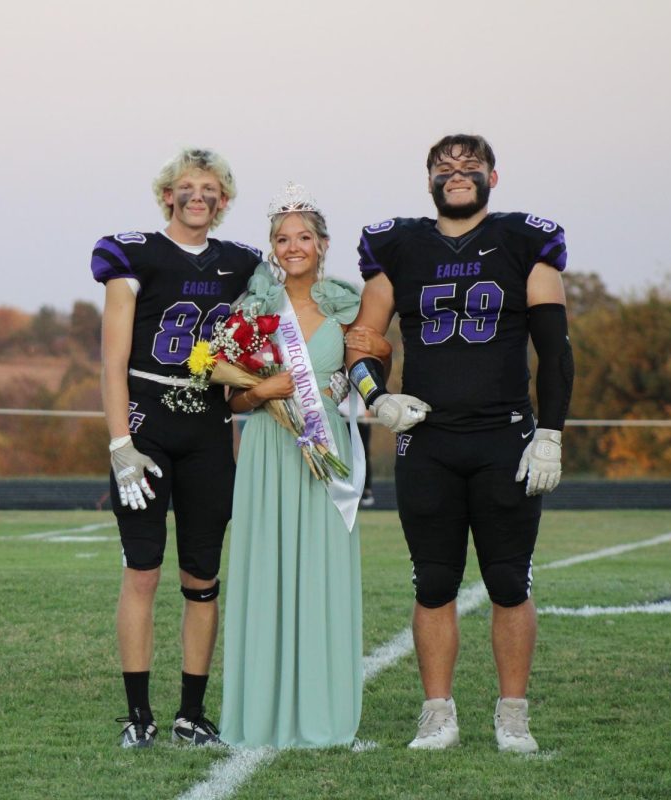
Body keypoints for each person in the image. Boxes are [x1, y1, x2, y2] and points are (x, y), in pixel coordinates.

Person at [346, 134, 572, 753]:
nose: (457, 172)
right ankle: (438, 712)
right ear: (429, 181)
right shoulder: (399, 246)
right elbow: (362, 341)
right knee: (434, 581)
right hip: (429, 440)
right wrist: (377, 397)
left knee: (509, 581)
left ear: (492, 179)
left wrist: (550, 432)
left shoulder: (526, 242)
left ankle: (513, 713)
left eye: (470, 164)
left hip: (505, 436)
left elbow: (555, 350)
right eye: (444, 166)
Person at [90, 148, 260, 748]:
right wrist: (120, 442)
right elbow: (112, 362)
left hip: (209, 427)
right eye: (186, 186)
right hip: (148, 423)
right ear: (167, 195)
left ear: (224, 200)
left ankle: (191, 712)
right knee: (142, 571)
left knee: (202, 576)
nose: (197, 196)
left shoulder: (242, 264)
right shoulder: (133, 252)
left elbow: (272, 328)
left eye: (210, 188)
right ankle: (139, 714)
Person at [220, 184, 364, 748]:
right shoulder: (253, 311)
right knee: (267, 570)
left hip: (326, 450)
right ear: (273, 248)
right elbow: (231, 400)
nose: (294, 246)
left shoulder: (348, 306)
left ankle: (322, 710)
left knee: (321, 569)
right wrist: (263, 392)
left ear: (323, 244)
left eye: (304, 236)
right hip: (268, 450)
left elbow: (368, 372)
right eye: (283, 238)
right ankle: (262, 710)